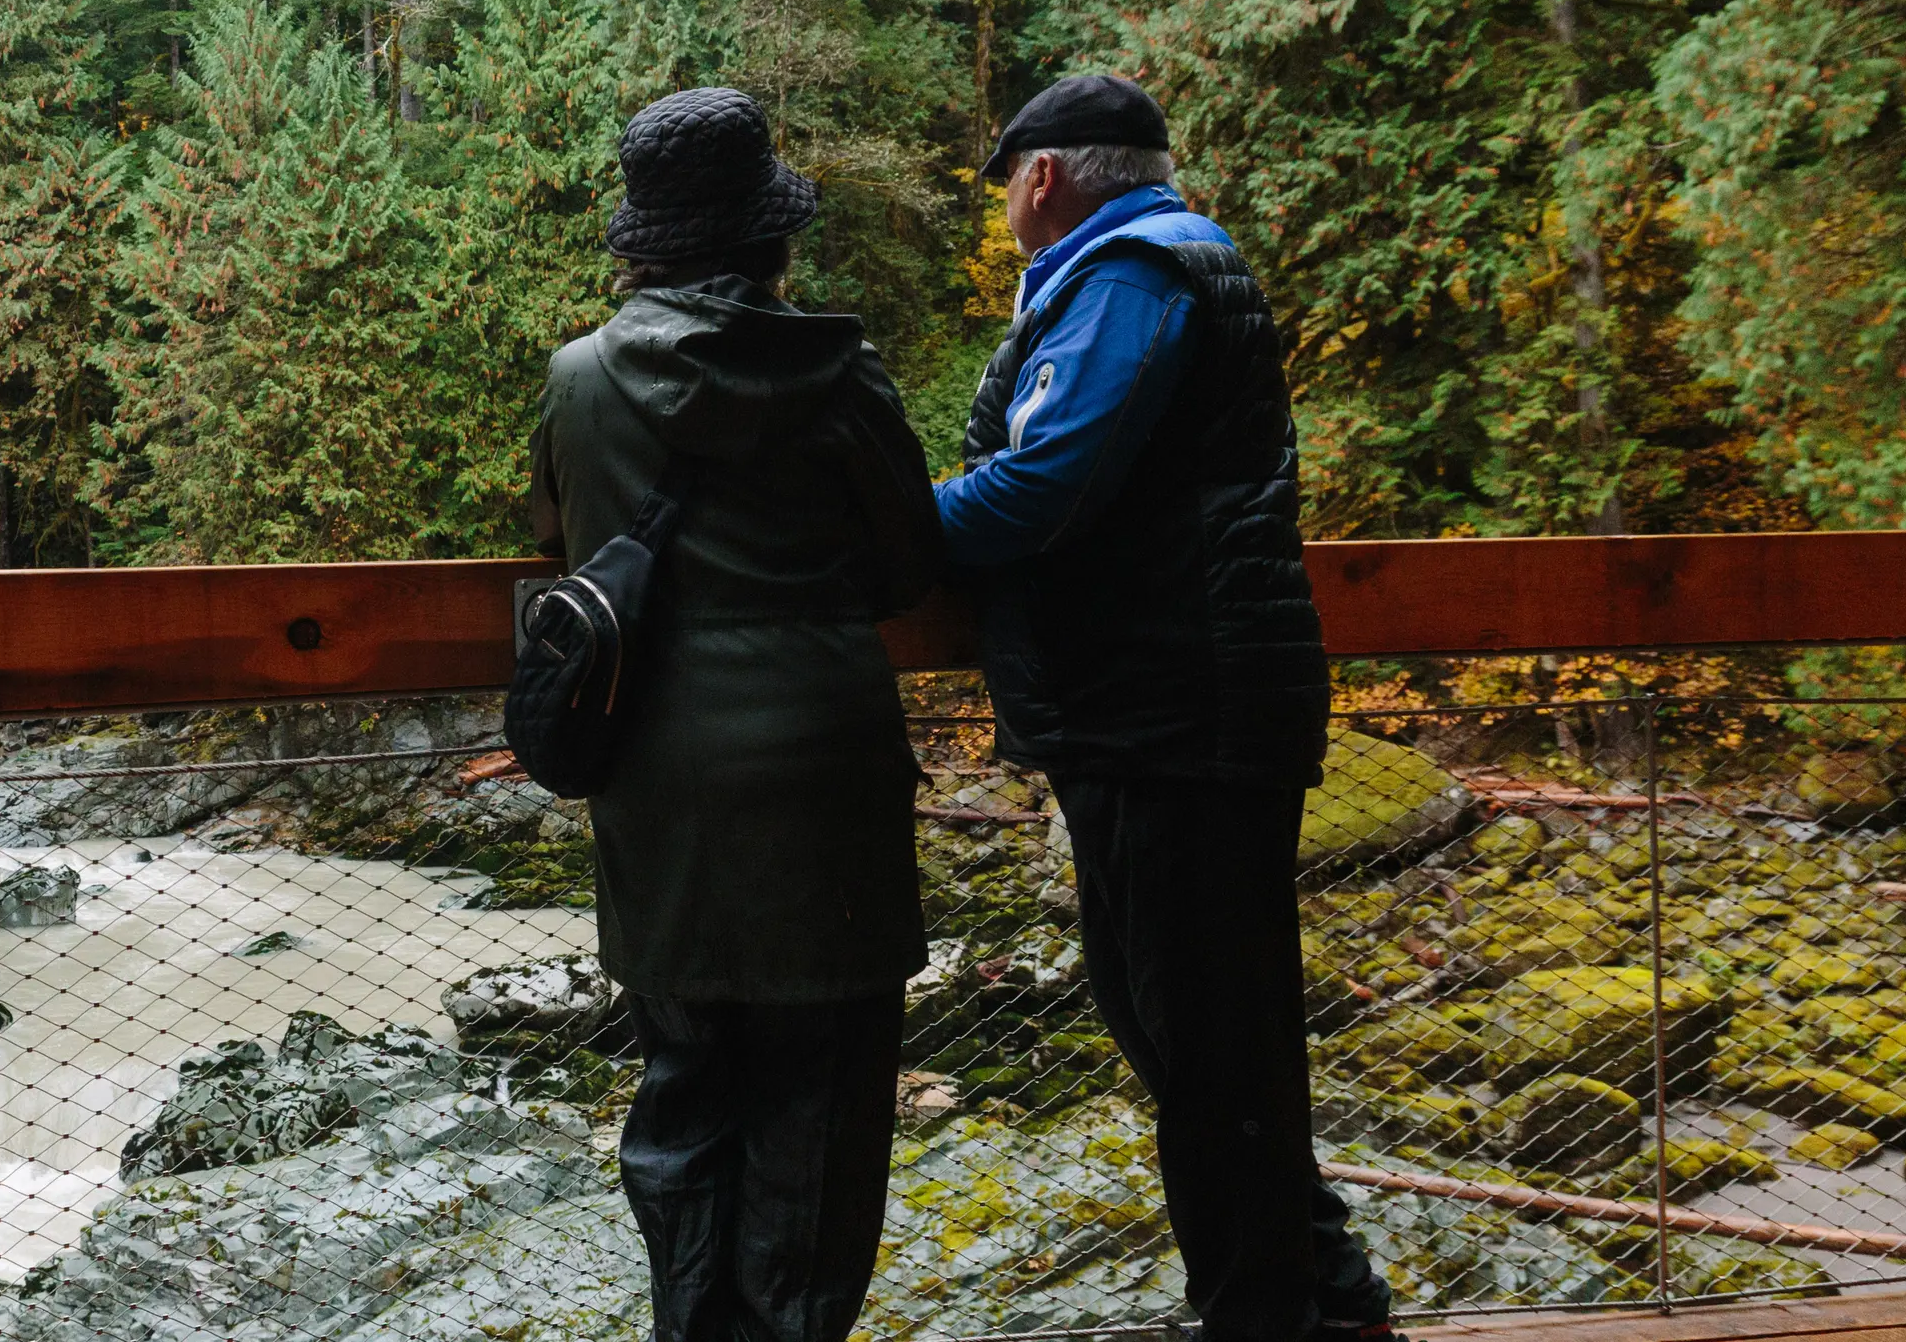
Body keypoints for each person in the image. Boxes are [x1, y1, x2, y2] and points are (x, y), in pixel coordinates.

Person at [935, 73, 1399, 1342]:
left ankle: (1269, 1317)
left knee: (1204, 1047)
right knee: (1193, 1029)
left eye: (1008, 190)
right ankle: (1329, 1300)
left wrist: (876, 526)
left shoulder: (1130, 280)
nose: (1010, 212)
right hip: (1171, 700)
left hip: (1172, 707)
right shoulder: (1159, 266)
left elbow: (1038, 488)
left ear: (1044, 178)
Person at [525, 86, 941, 1342]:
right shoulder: (840, 371)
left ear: (642, 246)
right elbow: (911, 565)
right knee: (823, 1099)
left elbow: (559, 548)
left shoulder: (579, 381)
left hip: (659, 776)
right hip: (826, 769)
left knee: (686, 1081)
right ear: (771, 240)